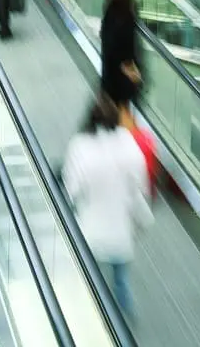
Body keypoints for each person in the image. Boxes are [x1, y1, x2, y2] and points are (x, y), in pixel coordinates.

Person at [63, 93, 152, 318]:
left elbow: (71, 189)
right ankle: (124, 323)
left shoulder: (80, 146)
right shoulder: (128, 143)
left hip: (91, 228)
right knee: (121, 279)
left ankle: (96, 321)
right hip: (120, 228)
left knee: (92, 281)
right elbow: (141, 183)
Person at [100, 0, 142, 124]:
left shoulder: (113, 15)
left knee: (118, 112)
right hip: (123, 74)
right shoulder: (128, 12)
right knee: (122, 110)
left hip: (116, 74)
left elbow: (114, 46)